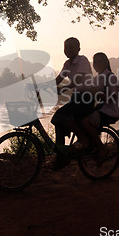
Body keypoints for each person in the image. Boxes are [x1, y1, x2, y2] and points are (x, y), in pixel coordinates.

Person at [49, 37, 94, 168]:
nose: (68, 50)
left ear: (78, 49)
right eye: (66, 48)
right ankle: (61, 157)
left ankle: (83, 138)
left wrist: (63, 89)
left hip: (86, 98)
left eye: (71, 47)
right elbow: (58, 79)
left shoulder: (83, 61)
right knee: (58, 123)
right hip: (76, 97)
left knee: (59, 115)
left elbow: (78, 80)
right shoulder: (67, 64)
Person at [80, 52, 119, 164]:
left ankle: (101, 147)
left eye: (99, 61)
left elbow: (112, 98)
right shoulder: (97, 78)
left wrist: (97, 93)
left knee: (85, 122)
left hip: (110, 111)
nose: (96, 64)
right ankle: (90, 146)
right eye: (95, 62)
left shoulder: (111, 77)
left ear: (106, 62)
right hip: (101, 109)